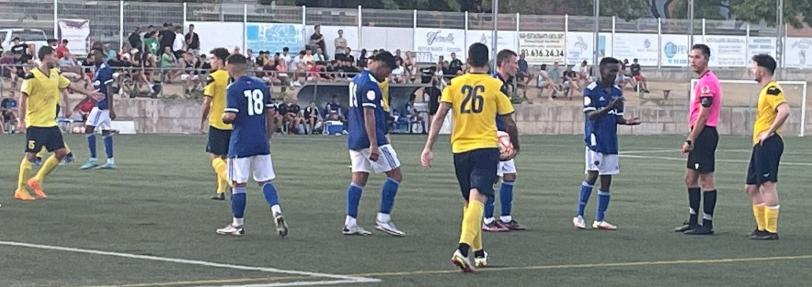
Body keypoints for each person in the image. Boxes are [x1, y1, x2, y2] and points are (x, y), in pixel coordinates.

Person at [421, 43, 519, 272]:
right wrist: (515, 145)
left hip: (460, 149)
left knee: (471, 201)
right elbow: (509, 121)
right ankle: (462, 250)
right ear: (488, 62)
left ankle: (479, 252)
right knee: (478, 198)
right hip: (485, 147)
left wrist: (428, 147)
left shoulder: (454, 84)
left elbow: (439, 116)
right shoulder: (496, 86)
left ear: (467, 60)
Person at [14, 46, 101, 201]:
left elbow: (69, 85)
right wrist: (21, 120)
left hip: (50, 124)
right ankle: (20, 189)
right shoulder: (32, 77)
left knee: (61, 153)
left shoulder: (55, 73)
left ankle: (37, 180)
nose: (57, 58)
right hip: (35, 124)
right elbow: (22, 100)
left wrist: (88, 93)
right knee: (31, 156)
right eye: (55, 56)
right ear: (46, 57)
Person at [215, 53, 288, 237]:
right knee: (265, 181)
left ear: (231, 67)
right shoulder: (261, 85)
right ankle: (276, 210)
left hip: (241, 142)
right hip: (260, 140)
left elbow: (230, 116)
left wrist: (223, 117)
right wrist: (268, 136)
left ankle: (237, 225)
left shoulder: (234, 88)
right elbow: (271, 114)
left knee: (238, 184)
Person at [572, 57, 641, 231]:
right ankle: (579, 215)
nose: (614, 75)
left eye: (616, 71)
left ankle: (599, 219)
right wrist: (610, 107)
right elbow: (591, 115)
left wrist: (627, 122)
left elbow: (617, 118)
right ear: (602, 70)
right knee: (592, 175)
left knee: (607, 180)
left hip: (611, 140)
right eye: (611, 71)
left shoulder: (617, 92)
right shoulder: (591, 90)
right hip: (595, 139)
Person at [342, 51, 404, 237]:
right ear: (381, 65)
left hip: (355, 137)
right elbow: (369, 114)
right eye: (387, 71)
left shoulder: (356, 80)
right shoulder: (370, 84)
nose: (387, 76)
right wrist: (374, 144)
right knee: (395, 174)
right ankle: (383, 219)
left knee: (359, 178)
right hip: (370, 137)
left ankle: (350, 222)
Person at [674, 44, 722, 236]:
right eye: (691, 57)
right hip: (700, 132)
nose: (693, 61)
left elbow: (704, 114)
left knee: (706, 179)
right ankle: (693, 220)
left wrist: (690, 139)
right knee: (690, 178)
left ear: (706, 59)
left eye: (697, 57)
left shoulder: (708, 82)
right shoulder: (703, 80)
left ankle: (707, 224)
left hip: (704, 134)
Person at [745, 54, 790, 240]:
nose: (752, 71)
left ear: (762, 69)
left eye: (754, 67)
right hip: (760, 144)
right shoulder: (765, 90)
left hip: (769, 143)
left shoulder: (772, 89)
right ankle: (761, 228)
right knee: (751, 187)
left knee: (767, 185)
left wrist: (770, 131)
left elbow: (785, 110)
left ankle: (771, 231)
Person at [483, 49, 526, 232]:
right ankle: (488, 219)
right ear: (503, 63)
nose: (517, 66)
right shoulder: (494, 84)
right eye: (514, 63)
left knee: (510, 176)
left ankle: (506, 218)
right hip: (496, 137)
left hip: (504, 137)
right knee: (493, 178)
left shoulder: (504, 84)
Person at [199, 48, 232, 200]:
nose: (210, 61)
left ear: (219, 61)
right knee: (225, 157)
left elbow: (207, 102)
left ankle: (232, 181)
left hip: (218, 122)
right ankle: (221, 191)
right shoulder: (232, 77)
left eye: (212, 58)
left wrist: (202, 119)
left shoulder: (213, 77)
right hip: (232, 123)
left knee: (215, 158)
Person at [79, 48, 118, 170]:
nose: (92, 57)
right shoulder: (97, 70)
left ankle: (93, 159)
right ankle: (110, 161)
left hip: (102, 106)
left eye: (95, 54)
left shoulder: (105, 69)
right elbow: (98, 90)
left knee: (89, 128)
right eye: (91, 55)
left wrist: (111, 108)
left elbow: (109, 90)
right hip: (102, 105)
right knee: (106, 132)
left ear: (101, 55)